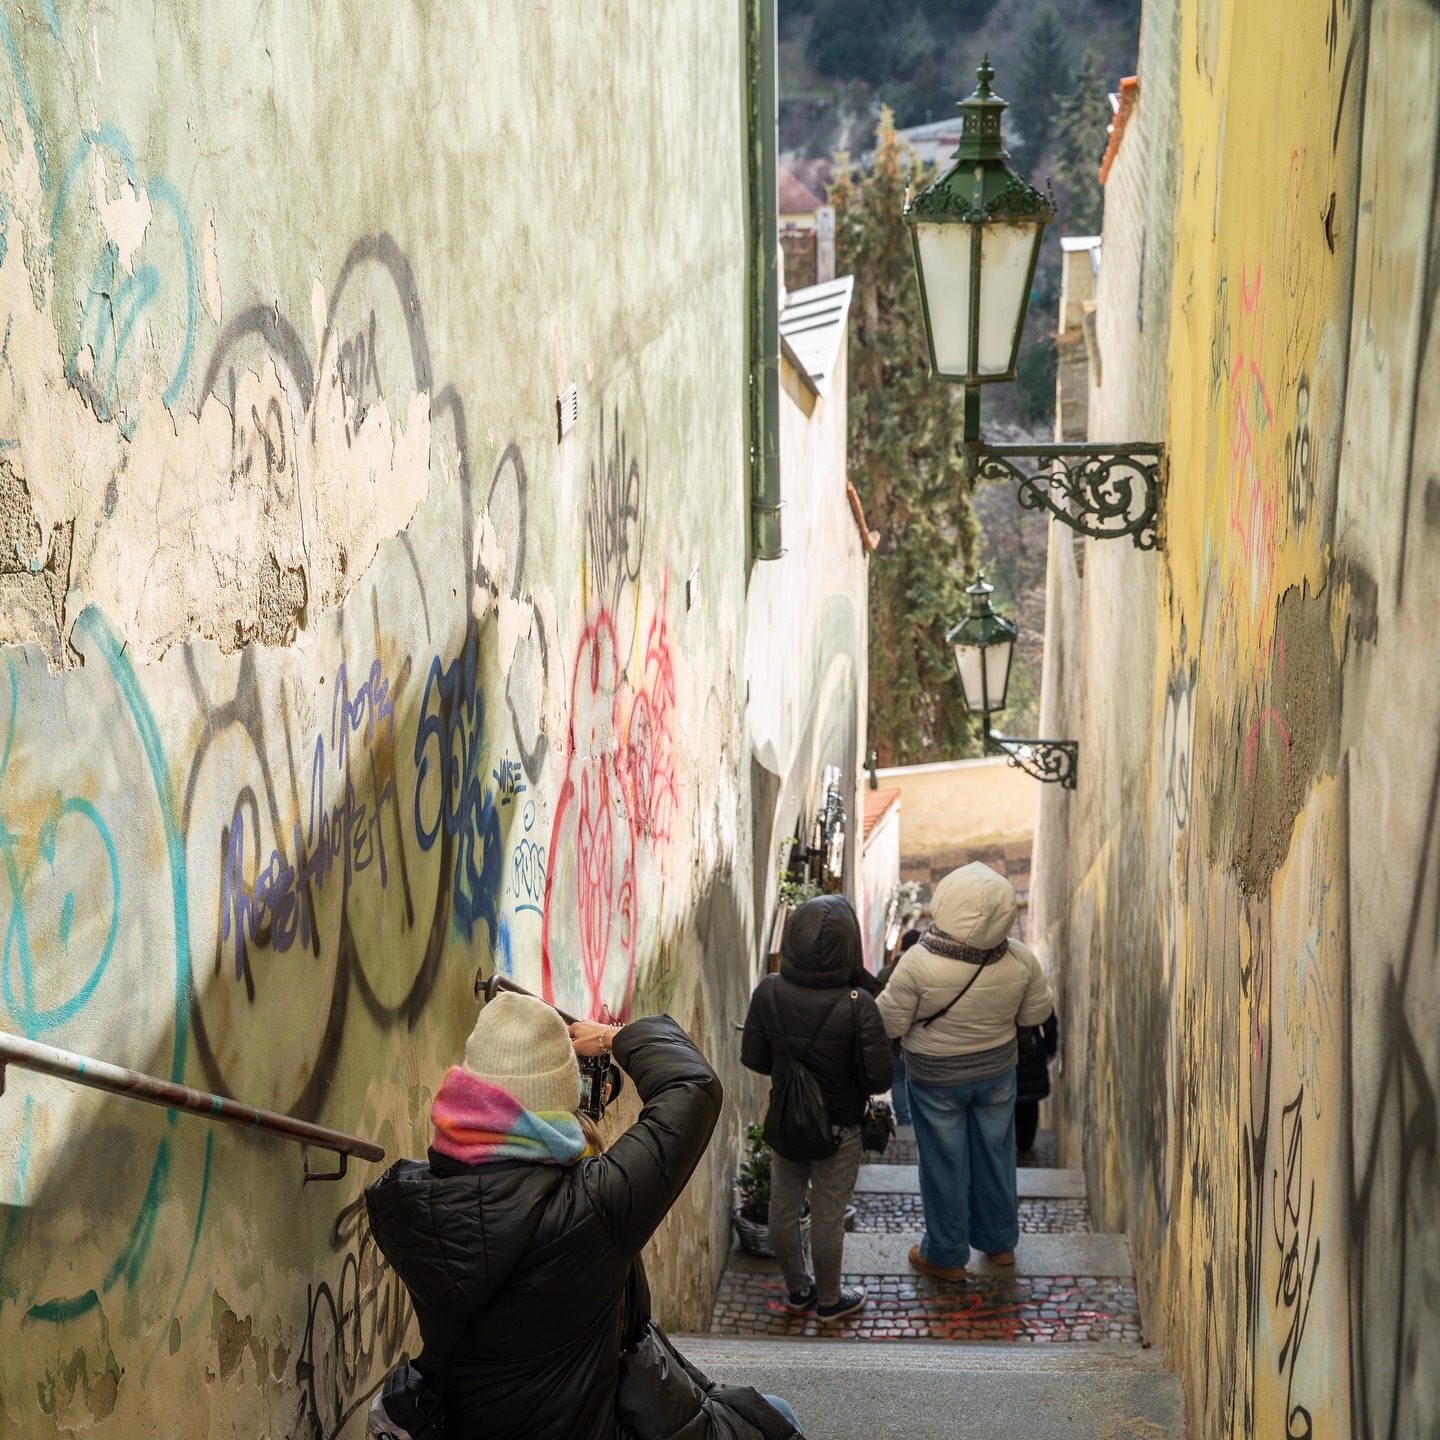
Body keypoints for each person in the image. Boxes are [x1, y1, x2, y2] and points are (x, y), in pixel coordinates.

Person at [365, 989, 804, 1439]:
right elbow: (692, 1085)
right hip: (592, 1428)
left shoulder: (413, 1201)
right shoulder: (593, 1206)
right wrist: (614, 1038)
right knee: (778, 1416)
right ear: (561, 1101)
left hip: (475, 1426)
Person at [877, 863, 1054, 1283]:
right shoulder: (1020, 958)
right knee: (996, 1154)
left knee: (944, 1162)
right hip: (996, 1072)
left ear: (946, 903)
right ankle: (1000, 1242)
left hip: (935, 1077)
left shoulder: (916, 962)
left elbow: (890, 1023)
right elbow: (1036, 1014)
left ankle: (946, 1254)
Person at [741, 895, 893, 1321]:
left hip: (788, 1119)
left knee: (782, 1211)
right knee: (828, 1218)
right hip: (840, 1127)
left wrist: (793, 1077)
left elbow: (753, 1058)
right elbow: (879, 1079)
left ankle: (798, 1291)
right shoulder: (858, 1002)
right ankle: (830, 1300)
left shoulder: (769, 990)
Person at [873, 927, 922, 1126]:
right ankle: (917, 1118)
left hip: (891, 1037)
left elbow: (875, 1002)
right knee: (917, 1079)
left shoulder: (886, 971)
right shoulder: (920, 970)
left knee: (898, 1078)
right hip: (916, 1035)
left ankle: (903, 1119)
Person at [1016, 1013, 1059, 1155]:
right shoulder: (1035, 995)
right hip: (1032, 1052)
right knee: (1030, 1105)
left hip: (1003, 1052)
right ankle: (1025, 1146)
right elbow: (1048, 1020)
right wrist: (1049, 1048)